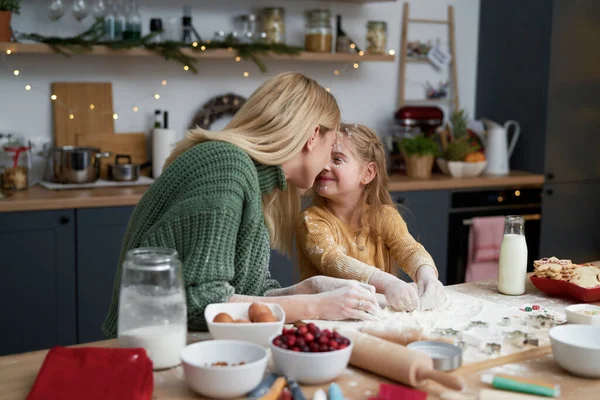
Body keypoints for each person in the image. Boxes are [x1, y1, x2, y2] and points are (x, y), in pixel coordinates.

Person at [102, 73, 379, 338]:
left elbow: (246, 293)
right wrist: (316, 307)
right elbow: (204, 303)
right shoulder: (226, 167)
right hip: (150, 350)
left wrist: (311, 289)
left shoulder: (249, 179)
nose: (326, 165)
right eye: (330, 147)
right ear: (312, 136)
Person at [296, 123, 446, 312]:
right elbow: (334, 262)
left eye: (337, 159)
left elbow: (409, 250)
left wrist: (427, 275)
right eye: (323, 157)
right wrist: (388, 283)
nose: (324, 166)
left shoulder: (384, 216)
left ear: (367, 173)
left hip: (374, 315)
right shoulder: (311, 221)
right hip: (325, 320)